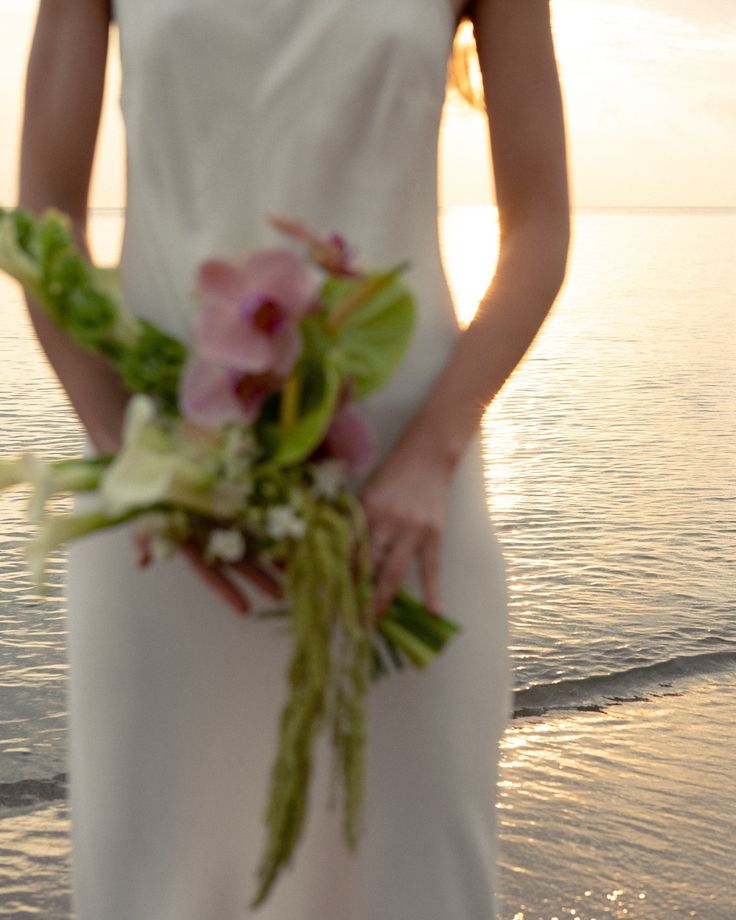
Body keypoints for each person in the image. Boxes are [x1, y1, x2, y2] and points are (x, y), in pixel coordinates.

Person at [19, 1, 569, 917]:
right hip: (165, 509)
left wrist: (430, 455)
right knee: (159, 881)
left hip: (403, 506)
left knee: (411, 876)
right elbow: (42, 217)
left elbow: (540, 227)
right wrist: (138, 461)